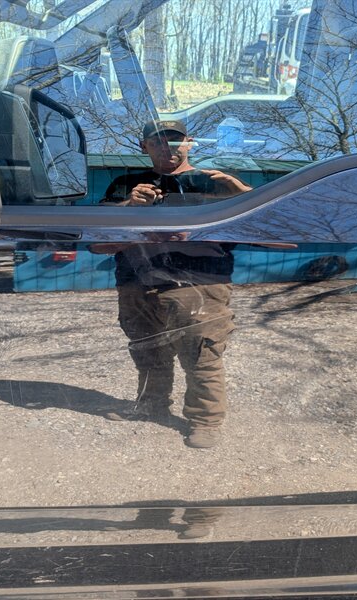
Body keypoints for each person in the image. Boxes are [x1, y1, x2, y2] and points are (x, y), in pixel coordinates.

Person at [101, 119, 251, 449]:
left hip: (199, 284)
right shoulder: (125, 185)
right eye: (157, 141)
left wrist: (240, 192)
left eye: (175, 140)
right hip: (136, 283)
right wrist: (130, 208)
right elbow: (99, 242)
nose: (167, 147)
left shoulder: (214, 182)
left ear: (189, 142)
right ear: (144, 146)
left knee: (201, 354)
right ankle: (150, 405)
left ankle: (205, 420)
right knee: (147, 351)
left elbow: (268, 227)